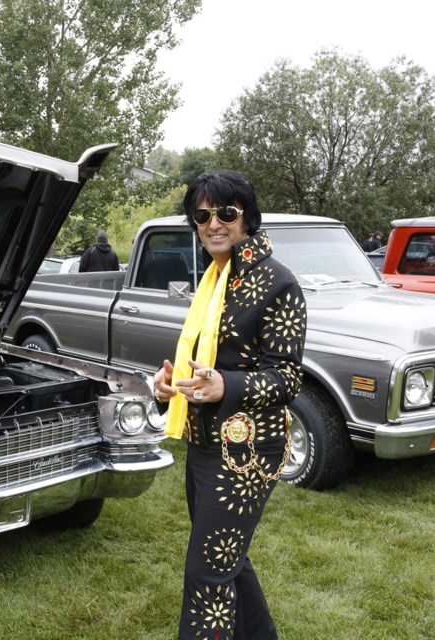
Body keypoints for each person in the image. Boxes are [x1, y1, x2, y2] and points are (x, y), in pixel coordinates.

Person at [152, 170, 307, 640]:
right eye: (201, 215)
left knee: (207, 575)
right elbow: (204, 362)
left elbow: (288, 377)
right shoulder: (216, 278)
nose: (213, 223)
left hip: (246, 454)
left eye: (226, 213)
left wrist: (226, 387)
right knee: (226, 560)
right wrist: (172, 385)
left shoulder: (277, 283)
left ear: (247, 218)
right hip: (203, 447)